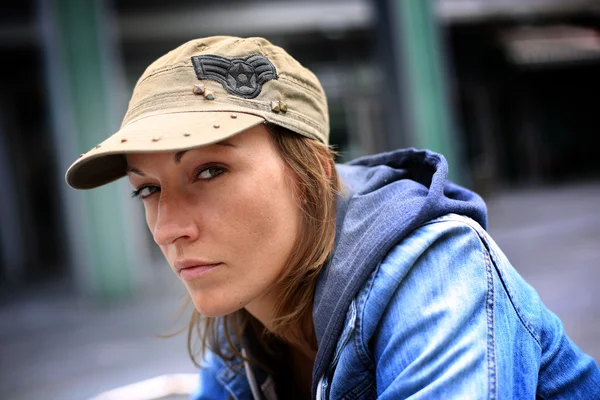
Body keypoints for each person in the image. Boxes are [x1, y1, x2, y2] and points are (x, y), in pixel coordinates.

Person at [66, 36, 600, 399]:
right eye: (148, 190)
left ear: (314, 173)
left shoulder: (438, 272)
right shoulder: (243, 327)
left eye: (209, 172)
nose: (167, 228)